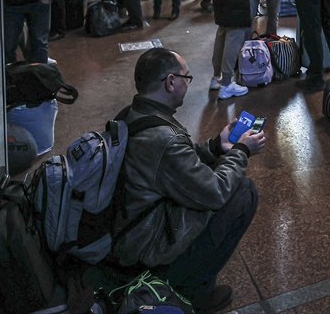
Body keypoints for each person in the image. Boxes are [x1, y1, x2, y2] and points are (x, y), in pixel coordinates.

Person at [113, 47, 264, 314]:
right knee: (242, 192)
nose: (188, 82)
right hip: (148, 248)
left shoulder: (134, 114)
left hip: (132, 229)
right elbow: (215, 192)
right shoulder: (164, 137)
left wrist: (218, 146)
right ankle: (191, 291)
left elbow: (180, 163)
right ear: (171, 82)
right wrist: (241, 150)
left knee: (222, 170)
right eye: (187, 76)